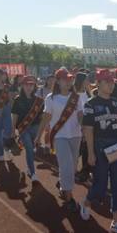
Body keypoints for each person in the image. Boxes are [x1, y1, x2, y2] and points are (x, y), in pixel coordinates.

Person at [79, 69, 117, 233]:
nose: (111, 84)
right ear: (98, 83)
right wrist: (91, 153)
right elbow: (88, 130)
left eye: (112, 81)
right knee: (100, 185)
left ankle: (116, 222)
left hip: (115, 146)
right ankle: (86, 202)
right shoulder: (90, 104)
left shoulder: (116, 102)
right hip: (99, 147)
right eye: (107, 81)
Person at [36, 68, 85, 212]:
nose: (68, 82)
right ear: (57, 81)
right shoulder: (51, 98)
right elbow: (46, 117)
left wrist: (85, 129)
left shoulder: (76, 97)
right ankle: (68, 197)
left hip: (75, 135)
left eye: (70, 79)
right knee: (66, 166)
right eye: (65, 79)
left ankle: (62, 183)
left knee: (73, 167)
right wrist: (38, 136)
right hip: (59, 136)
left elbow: (80, 115)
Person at [11, 76, 43, 183]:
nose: (29, 87)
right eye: (26, 85)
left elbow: (42, 116)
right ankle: (32, 172)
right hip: (23, 128)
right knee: (29, 149)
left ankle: (30, 168)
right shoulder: (18, 99)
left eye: (31, 85)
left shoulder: (39, 100)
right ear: (22, 86)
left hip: (35, 127)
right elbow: (15, 115)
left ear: (34, 86)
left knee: (32, 148)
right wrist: (12, 130)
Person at [36, 75, 55, 152]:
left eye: (53, 80)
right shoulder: (41, 90)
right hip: (44, 112)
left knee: (52, 129)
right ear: (46, 81)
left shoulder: (58, 90)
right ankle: (46, 145)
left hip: (54, 112)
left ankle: (50, 145)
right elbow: (36, 102)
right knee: (47, 129)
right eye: (50, 80)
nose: (51, 82)